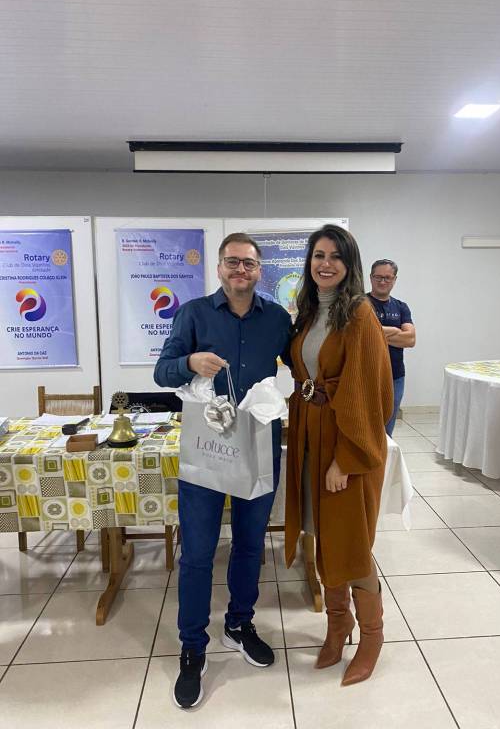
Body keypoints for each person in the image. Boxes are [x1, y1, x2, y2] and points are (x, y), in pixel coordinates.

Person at [154, 232, 292, 709]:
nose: (240, 270)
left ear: (259, 271)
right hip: (206, 449)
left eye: (249, 263)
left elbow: (302, 365)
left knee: (251, 545)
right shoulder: (193, 313)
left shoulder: (277, 318)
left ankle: (238, 624)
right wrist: (189, 361)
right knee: (197, 552)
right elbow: (162, 371)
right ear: (219, 268)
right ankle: (193, 646)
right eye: (232, 262)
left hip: (258, 446)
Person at [284, 224, 394, 687]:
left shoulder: (360, 315)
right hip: (312, 437)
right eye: (318, 255)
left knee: (351, 543)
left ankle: (372, 637)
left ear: (349, 265)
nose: (325, 263)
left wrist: (344, 461)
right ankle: (337, 624)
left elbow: (368, 394)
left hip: (346, 446)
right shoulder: (309, 312)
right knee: (324, 537)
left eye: (335, 256)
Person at [367, 259, 416, 435]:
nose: (382, 281)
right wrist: (395, 331)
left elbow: (410, 339)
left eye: (387, 277)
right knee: (366, 426)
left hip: (395, 376)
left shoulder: (401, 307)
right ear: (371, 277)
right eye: (378, 277)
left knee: (387, 428)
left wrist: (375, 333)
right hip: (366, 375)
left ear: (394, 279)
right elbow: (359, 335)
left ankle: (385, 453)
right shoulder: (360, 304)